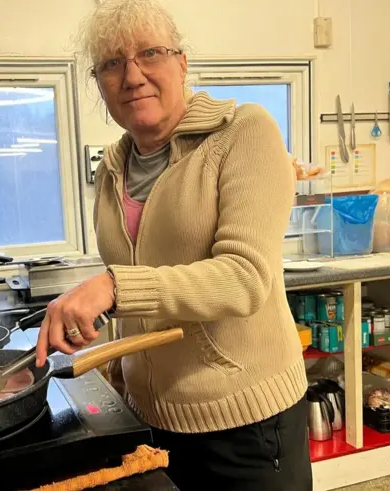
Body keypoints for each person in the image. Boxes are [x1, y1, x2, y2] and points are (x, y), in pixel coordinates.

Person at [35, 0, 312, 489]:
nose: (133, 75)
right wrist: (116, 365)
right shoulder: (113, 167)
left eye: (150, 54)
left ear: (181, 63)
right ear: (100, 83)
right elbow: (143, 284)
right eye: (112, 63)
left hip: (244, 420)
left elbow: (244, 279)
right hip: (151, 421)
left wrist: (114, 288)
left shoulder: (243, 133)